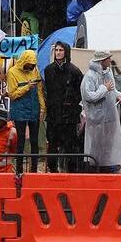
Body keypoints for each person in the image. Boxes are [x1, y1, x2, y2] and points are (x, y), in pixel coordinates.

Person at [81, 50, 121, 172]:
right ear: (102, 60)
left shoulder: (108, 73)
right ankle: (95, 168)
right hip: (97, 119)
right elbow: (89, 96)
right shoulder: (89, 76)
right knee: (96, 146)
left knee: (108, 145)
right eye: (108, 58)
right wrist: (104, 88)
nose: (110, 60)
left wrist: (118, 95)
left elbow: (112, 89)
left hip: (109, 116)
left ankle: (107, 167)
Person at [43, 41, 84, 172]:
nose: (58, 53)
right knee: (53, 145)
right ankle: (53, 170)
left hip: (69, 116)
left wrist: (71, 103)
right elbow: (47, 91)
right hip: (53, 115)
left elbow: (80, 92)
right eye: (56, 50)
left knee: (70, 146)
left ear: (66, 52)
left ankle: (71, 172)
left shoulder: (75, 71)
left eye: (61, 50)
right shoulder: (48, 70)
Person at [6, 49, 45, 173]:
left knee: (34, 141)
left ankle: (34, 170)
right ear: (24, 62)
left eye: (34, 65)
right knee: (21, 141)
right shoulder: (12, 72)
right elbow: (12, 94)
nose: (32, 68)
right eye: (30, 65)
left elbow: (39, 90)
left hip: (34, 109)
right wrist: (27, 87)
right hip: (20, 111)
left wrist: (43, 107)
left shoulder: (35, 70)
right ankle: (19, 170)